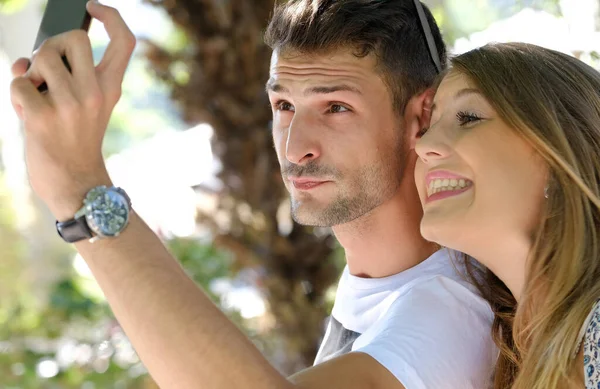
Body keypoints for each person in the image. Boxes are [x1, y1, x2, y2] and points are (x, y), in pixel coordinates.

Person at [10, 1, 496, 388]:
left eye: (335, 107)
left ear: (421, 115)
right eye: (284, 104)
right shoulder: (384, 284)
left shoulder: (451, 307)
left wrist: (82, 192)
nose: (295, 146)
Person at [414, 41, 600, 389]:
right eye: (427, 128)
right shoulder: (501, 362)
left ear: (558, 154)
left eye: (468, 117)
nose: (422, 146)